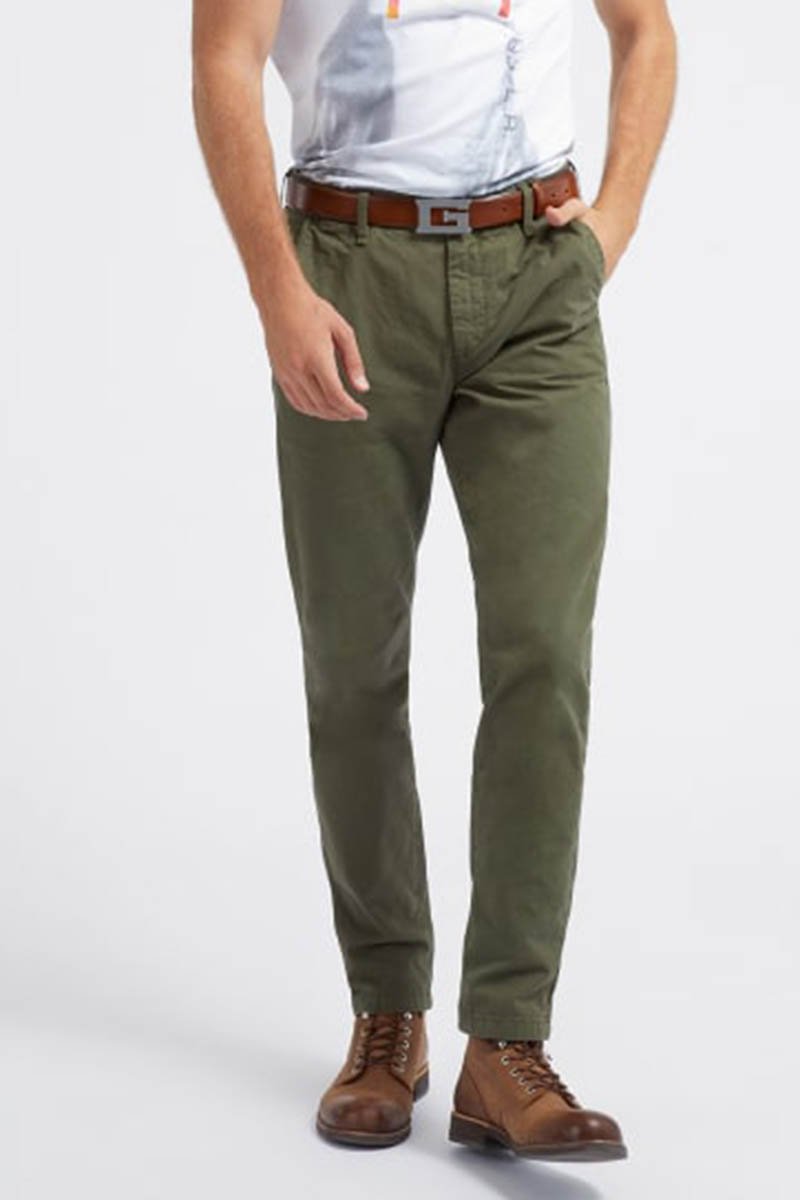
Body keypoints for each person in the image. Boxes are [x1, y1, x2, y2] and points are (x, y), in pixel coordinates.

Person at [191, 0, 677, 1161]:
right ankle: (385, 1018)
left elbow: (644, 28)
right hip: (348, 272)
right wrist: (276, 291)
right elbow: (223, 60)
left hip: (535, 280)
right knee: (353, 660)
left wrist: (610, 222)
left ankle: (505, 1045)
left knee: (543, 656)